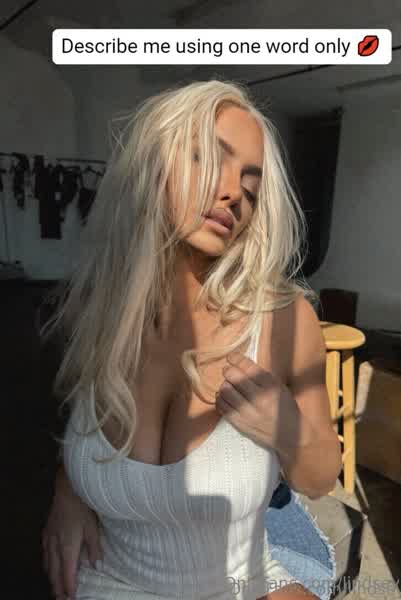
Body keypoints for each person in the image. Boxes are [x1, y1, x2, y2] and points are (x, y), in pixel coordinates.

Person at [40, 79, 341, 600]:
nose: (233, 193)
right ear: (149, 166)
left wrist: (288, 430)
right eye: (209, 158)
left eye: (251, 186)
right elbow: (79, 433)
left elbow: (319, 479)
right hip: (107, 578)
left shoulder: (282, 319)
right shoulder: (93, 312)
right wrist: (66, 490)